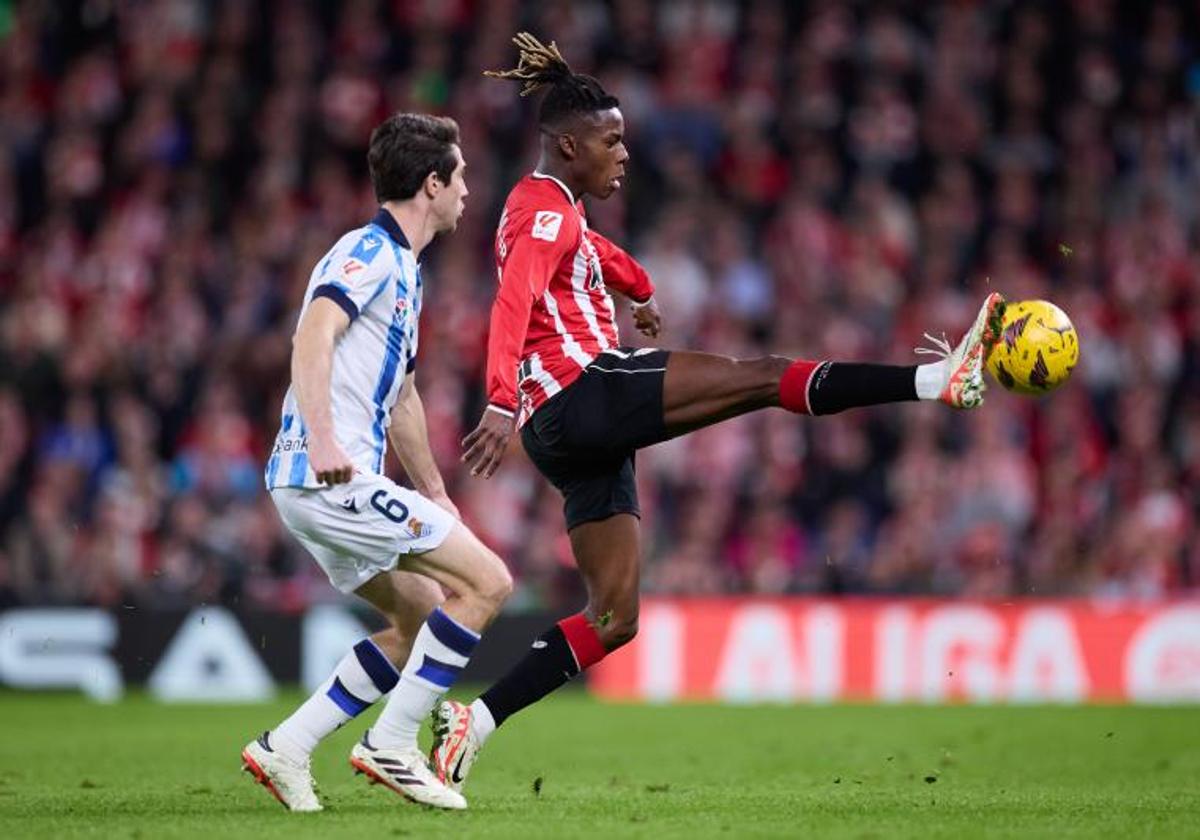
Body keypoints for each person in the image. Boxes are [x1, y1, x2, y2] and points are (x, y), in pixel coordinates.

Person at [429, 34, 1005, 791]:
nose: (624, 154)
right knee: (763, 375)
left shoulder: (543, 207)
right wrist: (500, 398)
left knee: (614, 618)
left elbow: (594, 253)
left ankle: (477, 724)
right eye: (611, 141)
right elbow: (514, 300)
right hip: (581, 392)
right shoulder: (543, 216)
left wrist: (637, 288)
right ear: (569, 146)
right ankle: (939, 379)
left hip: (564, 433)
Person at [240, 113, 512, 812]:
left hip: (314, 483)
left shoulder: (404, 270)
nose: (467, 192)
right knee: (489, 584)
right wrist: (327, 440)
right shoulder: (369, 254)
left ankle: (287, 747)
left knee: (421, 616)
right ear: (431, 183)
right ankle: (392, 744)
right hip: (328, 475)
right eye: (461, 177)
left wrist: (435, 493)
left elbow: (405, 397)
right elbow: (312, 334)